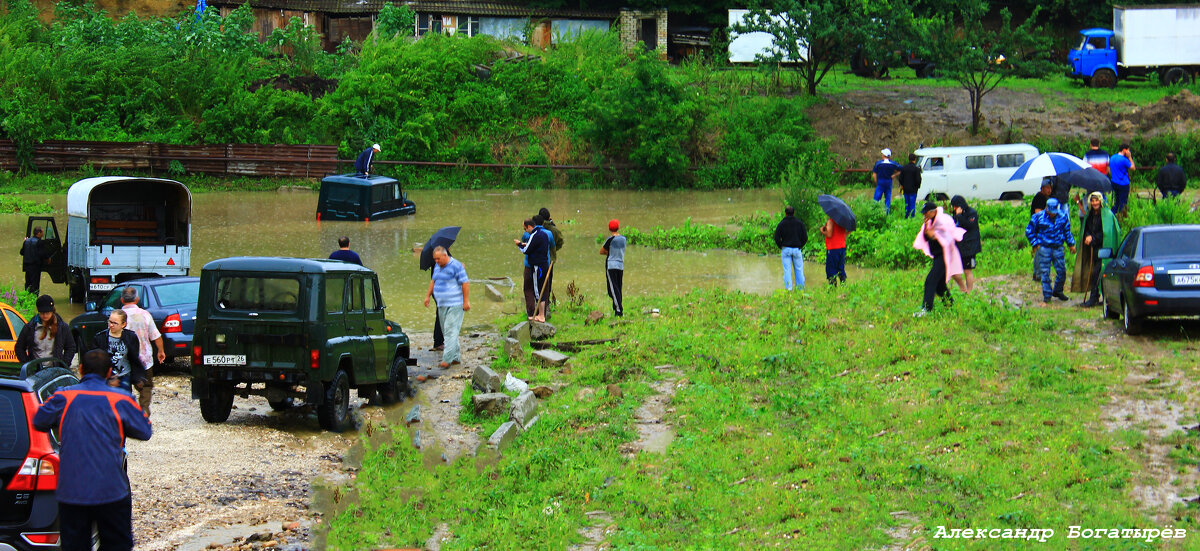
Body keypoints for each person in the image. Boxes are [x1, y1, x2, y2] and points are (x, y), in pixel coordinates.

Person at [33, 349, 152, 551]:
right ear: (108, 372)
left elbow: (39, 420)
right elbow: (144, 431)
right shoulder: (121, 400)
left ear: (80, 369)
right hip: (111, 491)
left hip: (72, 493)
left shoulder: (64, 397)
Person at [912, 203, 965, 316]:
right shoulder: (930, 222)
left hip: (945, 255)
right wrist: (927, 230)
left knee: (930, 281)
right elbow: (926, 237)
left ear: (932, 211)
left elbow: (947, 238)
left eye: (926, 212)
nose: (924, 215)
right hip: (937, 256)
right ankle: (950, 305)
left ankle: (927, 309)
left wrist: (932, 235)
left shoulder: (943, 220)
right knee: (940, 285)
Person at [120, 287, 165, 416]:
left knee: (125, 385)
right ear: (137, 299)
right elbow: (155, 335)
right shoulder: (145, 314)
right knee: (146, 386)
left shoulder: (117, 316)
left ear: (122, 300)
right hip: (144, 357)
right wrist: (160, 351)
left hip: (124, 358)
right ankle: (144, 408)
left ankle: (125, 412)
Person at [1071, 191, 1121, 307]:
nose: (1094, 203)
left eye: (1096, 200)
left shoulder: (1107, 215)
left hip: (1104, 250)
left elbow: (1106, 233)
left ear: (1101, 201)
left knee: (1098, 273)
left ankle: (1095, 298)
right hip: (1093, 249)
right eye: (1092, 201)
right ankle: (1096, 297)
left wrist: (1093, 238)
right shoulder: (1090, 214)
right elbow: (1087, 228)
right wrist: (1088, 236)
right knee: (1094, 272)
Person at [423, 246, 469, 368]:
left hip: (455, 303)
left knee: (450, 331)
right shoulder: (438, 266)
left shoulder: (456, 266)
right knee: (447, 331)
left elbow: (465, 283)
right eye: (435, 259)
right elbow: (433, 281)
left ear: (445, 255)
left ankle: (446, 360)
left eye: (438, 259)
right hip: (442, 303)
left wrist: (466, 301)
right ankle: (456, 358)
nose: (436, 261)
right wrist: (427, 296)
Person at [1026, 198, 1077, 303]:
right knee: (1045, 273)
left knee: (1062, 271)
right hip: (1044, 247)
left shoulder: (1062, 216)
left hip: (1058, 246)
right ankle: (1047, 295)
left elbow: (1067, 231)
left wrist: (1071, 244)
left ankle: (1058, 290)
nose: (1053, 214)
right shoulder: (1038, 217)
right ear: (1046, 209)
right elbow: (1029, 231)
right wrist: (1036, 244)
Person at [91, 310, 146, 393]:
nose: (111, 325)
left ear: (123, 324)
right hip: (106, 377)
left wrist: (137, 378)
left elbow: (134, 358)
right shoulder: (100, 338)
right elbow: (94, 360)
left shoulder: (131, 337)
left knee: (124, 401)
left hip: (124, 375)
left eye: (115, 323)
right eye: (110, 322)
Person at [15, 295, 78, 366]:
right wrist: (27, 364)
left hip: (55, 369)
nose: (45, 315)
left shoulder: (63, 327)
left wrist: (64, 364)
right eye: (42, 313)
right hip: (36, 370)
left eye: (47, 313)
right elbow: (19, 347)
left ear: (52, 311)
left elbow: (71, 347)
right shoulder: (29, 327)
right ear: (38, 312)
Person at [515, 218, 551, 322]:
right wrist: (527, 245)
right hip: (544, 264)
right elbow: (536, 246)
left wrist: (519, 245)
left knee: (537, 290)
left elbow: (526, 250)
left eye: (525, 228)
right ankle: (541, 314)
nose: (525, 231)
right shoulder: (543, 234)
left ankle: (541, 316)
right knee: (541, 289)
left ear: (530, 226)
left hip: (537, 266)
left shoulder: (534, 235)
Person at [949, 196, 980, 293]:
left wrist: (959, 216)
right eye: (953, 207)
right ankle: (963, 289)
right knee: (953, 271)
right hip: (959, 246)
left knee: (967, 270)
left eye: (955, 206)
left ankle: (969, 291)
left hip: (970, 246)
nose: (954, 209)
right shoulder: (955, 214)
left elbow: (969, 226)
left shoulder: (972, 213)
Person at [773, 206, 808, 290]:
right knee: (799, 270)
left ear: (785, 213)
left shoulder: (781, 223)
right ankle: (800, 289)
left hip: (786, 249)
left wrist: (781, 246)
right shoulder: (799, 223)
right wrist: (800, 245)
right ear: (794, 213)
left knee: (787, 271)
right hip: (797, 249)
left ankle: (789, 289)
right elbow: (805, 237)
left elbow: (776, 237)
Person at [538, 208, 564, 319]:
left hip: (538, 259)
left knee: (538, 281)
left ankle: (539, 304)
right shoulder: (554, 230)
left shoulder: (537, 229)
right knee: (547, 281)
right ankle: (546, 304)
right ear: (549, 217)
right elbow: (560, 242)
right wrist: (553, 251)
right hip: (550, 261)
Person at [600, 219, 626, 316]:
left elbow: (602, 251)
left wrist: (610, 252)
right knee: (618, 287)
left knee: (612, 289)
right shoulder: (624, 239)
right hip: (620, 265)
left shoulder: (610, 240)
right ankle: (617, 307)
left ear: (609, 228)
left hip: (611, 265)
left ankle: (618, 310)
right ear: (618, 227)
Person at [1029, 181, 1053, 282]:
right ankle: (1038, 274)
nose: (1049, 190)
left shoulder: (1045, 198)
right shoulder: (1039, 198)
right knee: (1040, 251)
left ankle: (1037, 273)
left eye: (1050, 188)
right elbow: (1037, 213)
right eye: (1047, 188)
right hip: (1039, 229)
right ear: (1042, 188)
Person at [871, 148, 902, 215]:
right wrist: (894, 175)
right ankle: (886, 213)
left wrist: (877, 183)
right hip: (888, 181)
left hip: (880, 181)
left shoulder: (878, 164)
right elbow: (901, 169)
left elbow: (874, 175)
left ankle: (874, 212)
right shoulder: (893, 164)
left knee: (877, 198)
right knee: (888, 198)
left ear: (883, 155)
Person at [820, 217, 848, 285]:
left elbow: (829, 234)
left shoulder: (831, 221)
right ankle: (843, 285)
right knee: (840, 268)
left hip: (833, 248)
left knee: (831, 269)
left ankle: (832, 288)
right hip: (842, 247)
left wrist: (822, 231)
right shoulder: (843, 221)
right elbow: (847, 232)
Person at [1109, 143, 1135, 214]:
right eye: (1128, 150)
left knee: (1116, 202)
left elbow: (1109, 169)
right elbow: (1133, 168)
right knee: (1123, 202)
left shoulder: (1112, 157)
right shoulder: (1124, 160)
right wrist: (1130, 157)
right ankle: (1122, 217)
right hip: (1123, 183)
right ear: (1124, 150)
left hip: (1114, 182)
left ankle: (1113, 215)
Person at [20, 227, 47, 294]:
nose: (43, 234)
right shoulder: (39, 242)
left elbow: (21, 252)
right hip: (35, 266)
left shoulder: (26, 241)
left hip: (27, 266)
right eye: (42, 232)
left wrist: (25, 242)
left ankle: (26, 296)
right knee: (35, 284)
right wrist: (48, 258)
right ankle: (34, 298)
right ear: (38, 233)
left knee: (28, 283)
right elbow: (42, 254)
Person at [898, 153, 923, 218]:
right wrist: (917, 186)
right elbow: (918, 179)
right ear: (915, 160)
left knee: (907, 203)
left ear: (908, 159)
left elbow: (900, 178)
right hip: (913, 189)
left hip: (905, 189)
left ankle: (906, 216)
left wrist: (903, 184)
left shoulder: (904, 168)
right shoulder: (916, 169)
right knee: (912, 203)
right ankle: (912, 216)